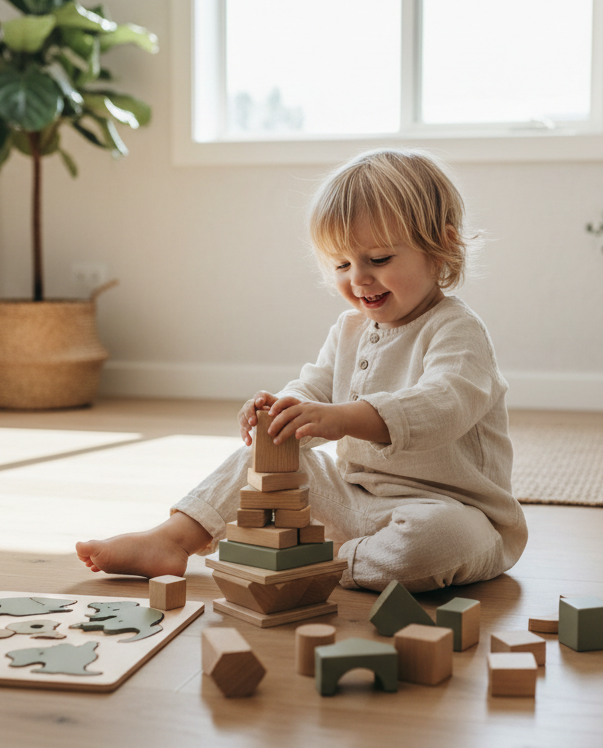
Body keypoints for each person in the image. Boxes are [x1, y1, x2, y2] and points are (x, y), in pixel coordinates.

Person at [75, 148, 527, 592]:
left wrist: (344, 418)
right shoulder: (350, 328)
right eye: (342, 265)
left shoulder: (457, 330)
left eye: (379, 259)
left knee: (433, 542)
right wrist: (284, 409)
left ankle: (322, 562)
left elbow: (443, 405)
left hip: (453, 512)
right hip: (359, 501)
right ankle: (172, 540)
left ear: (441, 247)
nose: (359, 279)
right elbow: (315, 388)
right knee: (261, 460)